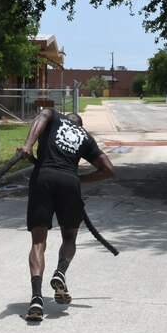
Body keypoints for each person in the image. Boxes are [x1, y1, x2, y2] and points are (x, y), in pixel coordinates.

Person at [16, 108, 115, 321]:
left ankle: (36, 298)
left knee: (38, 242)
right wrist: (79, 180)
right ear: (80, 125)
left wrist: (28, 145)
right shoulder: (85, 137)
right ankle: (60, 271)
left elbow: (42, 115)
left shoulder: (53, 116)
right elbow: (108, 169)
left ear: (66, 119)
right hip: (69, 182)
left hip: (43, 177)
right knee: (69, 236)